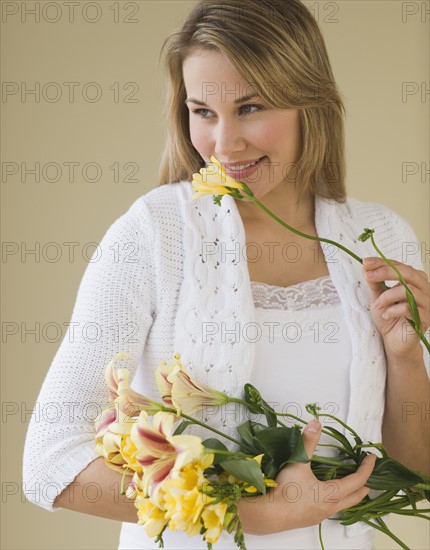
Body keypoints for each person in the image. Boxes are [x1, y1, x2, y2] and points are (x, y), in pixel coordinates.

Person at [23, 1, 429, 549]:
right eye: (203, 112)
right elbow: (49, 460)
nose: (223, 143)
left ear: (310, 102)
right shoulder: (155, 232)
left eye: (251, 107)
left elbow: (410, 472)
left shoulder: (381, 237)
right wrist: (243, 512)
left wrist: (405, 356)